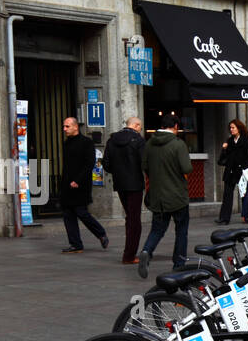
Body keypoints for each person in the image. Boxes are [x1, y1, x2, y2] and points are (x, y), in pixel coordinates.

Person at [138, 113, 193, 277]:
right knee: (181, 230)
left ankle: (147, 251)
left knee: (157, 229)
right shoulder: (178, 144)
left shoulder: (149, 143)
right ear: (175, 126)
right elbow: (187, 168)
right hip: (177, 196)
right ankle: (179, 263)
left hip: (157, 197)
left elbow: (145, 166)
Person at [59, 116, 108, 254]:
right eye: (64, 126)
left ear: (75, 127)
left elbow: (89, 164)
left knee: (82, 212)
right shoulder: (66, 143)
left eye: (67, 126)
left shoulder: (86, 142)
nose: (64, 129)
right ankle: (75, 244)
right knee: (68, 214)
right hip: (67, 184)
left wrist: (78, 180)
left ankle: (101, 234)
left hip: (81, 184)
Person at [101, 116, 146, 264]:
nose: (140, 129)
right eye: (139, 127)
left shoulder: (112, 140)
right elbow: (144, 162)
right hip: (135, 184)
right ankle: (129, 255)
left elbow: (106, 164)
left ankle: (129, 253)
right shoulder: (138, 141)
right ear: (136, 125)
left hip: (120, 184)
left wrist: (119, 171)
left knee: (129, 216)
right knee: (135, 220)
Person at [215, 118, 248, 225]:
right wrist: (224, 149)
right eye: (230, 128)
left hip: (241, 171)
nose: (231, 130)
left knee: (244, 194)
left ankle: (246, 216)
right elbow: (222, 159)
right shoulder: (229, 141)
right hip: (230, 171)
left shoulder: (245, 140)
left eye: (233, 127)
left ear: (239, 128)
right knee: (227, 195)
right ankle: (224, 218)